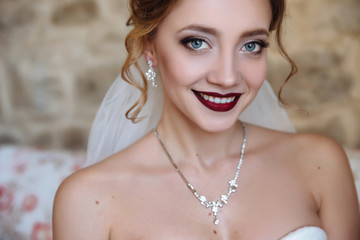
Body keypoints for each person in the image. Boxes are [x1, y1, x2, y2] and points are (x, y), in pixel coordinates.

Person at [52, 0, 360, 239]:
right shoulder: (88, 199)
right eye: (197, 42)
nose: (227, 77)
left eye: (251, 45)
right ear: (150, 48)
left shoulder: (321, 163)